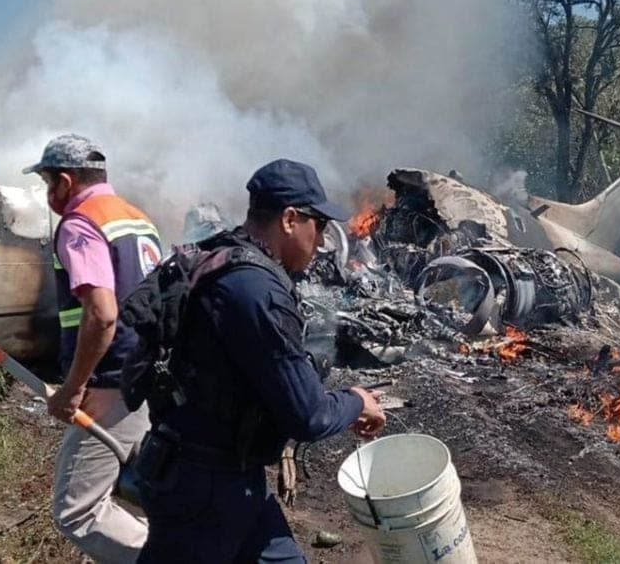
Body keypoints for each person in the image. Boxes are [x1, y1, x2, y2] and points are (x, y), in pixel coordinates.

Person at [133, 158, 386, 563]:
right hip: (203, 489)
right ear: (290, 219)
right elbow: (309, 416)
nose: (321, 240)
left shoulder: (219, 257)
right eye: (317, 225)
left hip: (228, 476)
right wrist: (356, 400)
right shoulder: (254, 291)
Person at [23, 134, 161, 563]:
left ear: (64, 181)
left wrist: (74, 386)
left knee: (76, 510)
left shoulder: (81, 222)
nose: (48, 194)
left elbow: (102, 314)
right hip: (149, 372)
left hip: (111, 380)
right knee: (140, 483)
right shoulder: (136, 218)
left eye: (48, 183)